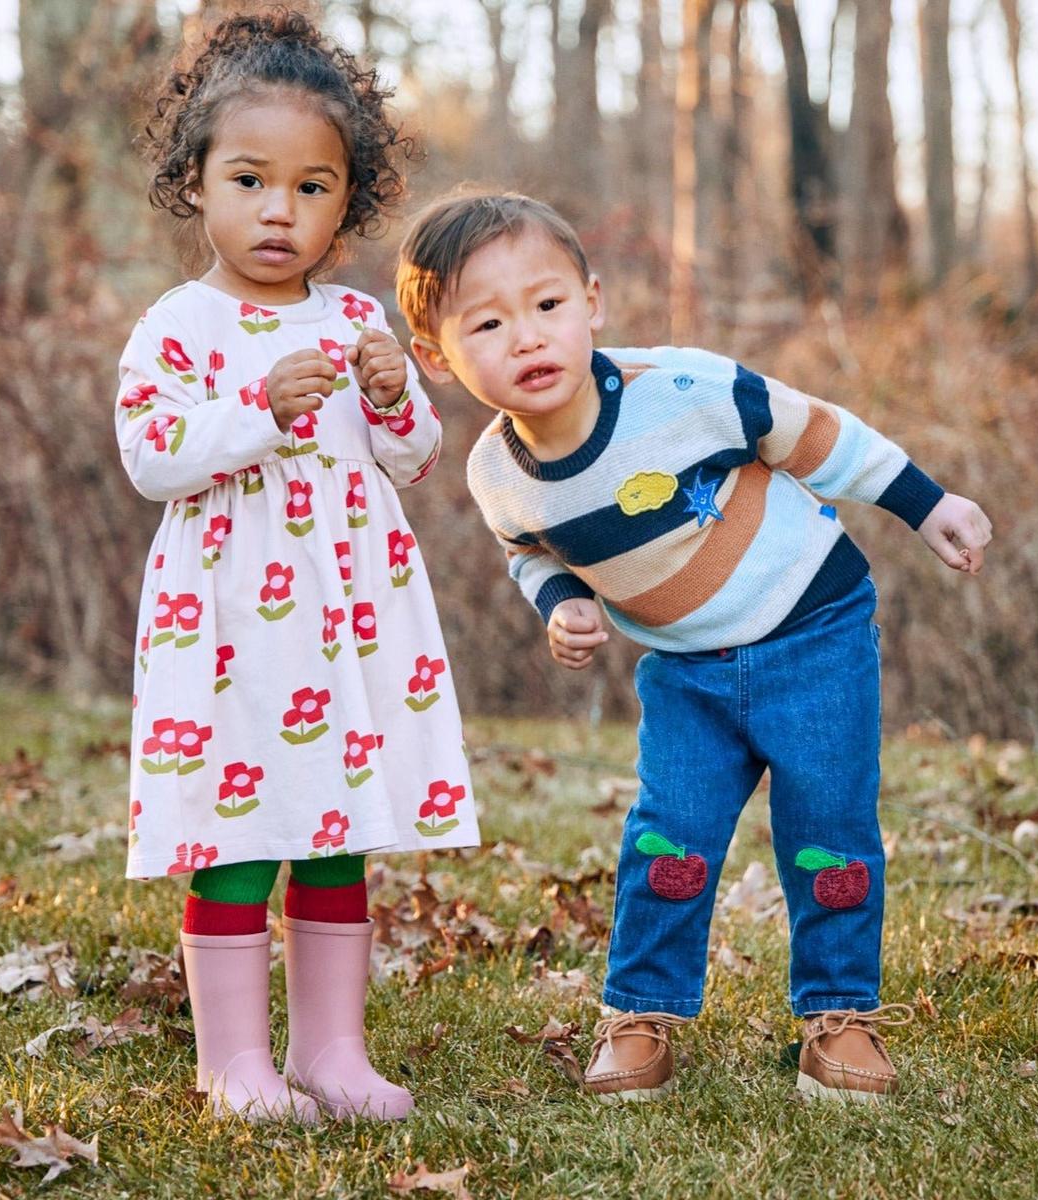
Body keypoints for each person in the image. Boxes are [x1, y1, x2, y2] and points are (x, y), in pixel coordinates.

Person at [395, 192, 992, 1104]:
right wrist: (560, 604)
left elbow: (812, 431)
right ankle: (642, 1014)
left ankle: (839, 1018)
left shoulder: (678, 391)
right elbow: (527, 553)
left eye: (548, 305)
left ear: (592, 301)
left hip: (816, 632)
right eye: (487, 323)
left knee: (828, 830)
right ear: (438, 358)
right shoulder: (496, 473)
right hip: (684, 672)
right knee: (669, 837)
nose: (527, 337)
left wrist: (929, 504)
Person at [116, 11, 478, 1123]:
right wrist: (252, 410)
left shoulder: (355, 316)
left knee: (337, 830)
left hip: (351, 624)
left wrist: (387, 392)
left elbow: (417, 459)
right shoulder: (181, 325)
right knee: (239, 833)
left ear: (348, 201)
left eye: (314, 188)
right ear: (197, 183)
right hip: (229, 630)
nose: (281, 211)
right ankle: (233, 1064)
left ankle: (332, 1051)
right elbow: (150, 456)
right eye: (251, 180)